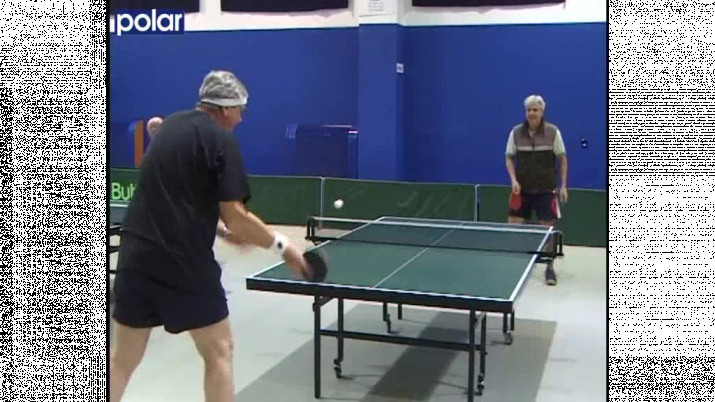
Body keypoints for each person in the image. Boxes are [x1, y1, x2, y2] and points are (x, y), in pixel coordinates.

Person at [109, 70, 311, 402]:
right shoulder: (221, 141)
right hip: (183, 261)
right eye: (240, 110)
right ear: (225, 108)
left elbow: (178, 197)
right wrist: (284, 247)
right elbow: (236, 216)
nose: (241, 119)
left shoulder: (172, 124)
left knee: (122, 360)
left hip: (136, 254)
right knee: (219, 350)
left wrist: (217, 230)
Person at [505, 94, 568, 286]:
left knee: (547, 230)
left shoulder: (553, 132)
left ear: (542, 111)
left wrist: (563, 186)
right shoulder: (516, 132)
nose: (532, 113)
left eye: (535, 110)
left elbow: (562, 159)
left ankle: (549, 267)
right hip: (522, 189)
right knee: (513, 225)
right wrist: (513, 180)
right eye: (529, 110)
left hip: (545, 189)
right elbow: (509, 157)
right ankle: (517, 263)